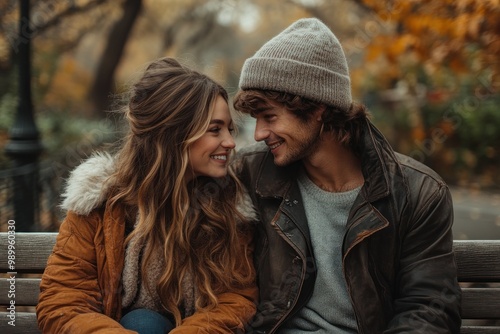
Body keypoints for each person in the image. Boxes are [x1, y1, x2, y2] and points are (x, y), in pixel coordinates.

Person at [231, 18, 462, 333]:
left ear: (317, 109)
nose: (258, 134)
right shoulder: (249, 173)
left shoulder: (418, 193)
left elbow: (429, 307)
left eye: (270, 117)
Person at [36, 57, 258, 334]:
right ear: (173, 134)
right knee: (142, 322)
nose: (230, 142)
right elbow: (63, 302)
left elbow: (235, 300)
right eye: (215, 129)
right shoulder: (99, 202)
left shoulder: (230, 205)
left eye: (229, 128)